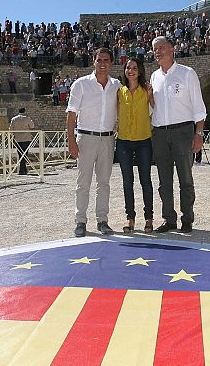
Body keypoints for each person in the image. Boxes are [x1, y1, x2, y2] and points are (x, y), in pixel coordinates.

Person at [149, 36, 206, 233]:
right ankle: (169, 219)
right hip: (160, 134)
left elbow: (199, 107)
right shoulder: (154, 77)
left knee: (185, 178)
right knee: (164, 180)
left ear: (173, 49)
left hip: (183, 131)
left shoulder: (187, 74)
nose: (158, 51)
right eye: (155, 49)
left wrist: (198, 133)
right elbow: (154, 107)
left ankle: (187, 219)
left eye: (162, 47)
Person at [66, 48, 120, 237]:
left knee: (104, 182)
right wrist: (71, 140)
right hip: (86, 138)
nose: (103, 63)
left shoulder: (116, 86)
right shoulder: (81, 84)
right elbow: (71, 115)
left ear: (111, 63)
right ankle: (80, 221)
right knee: (83, 182)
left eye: (106, 60)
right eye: (99, 60)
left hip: (107, 138)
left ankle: (102, 220)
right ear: (93, 62)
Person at [116, 57, 154, 233]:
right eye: (128, 68)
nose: (130, 71)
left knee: (145, 180)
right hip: (124, 141)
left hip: (143, 141)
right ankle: (130, 218)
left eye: (134, 68)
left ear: (140, 71)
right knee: (127, 181)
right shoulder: (119, 92)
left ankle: (149, 218)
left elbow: (156, 109)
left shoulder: (147, 90)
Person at [10, 107, 35, 175]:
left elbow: (11, 129)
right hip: (26, 138)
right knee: (24, 154)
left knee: (20, 154)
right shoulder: (27, 118)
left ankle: (22, 170)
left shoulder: (14, 119)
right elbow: (32, 126)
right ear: (24, 111)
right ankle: (22, 170)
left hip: (18, 139)